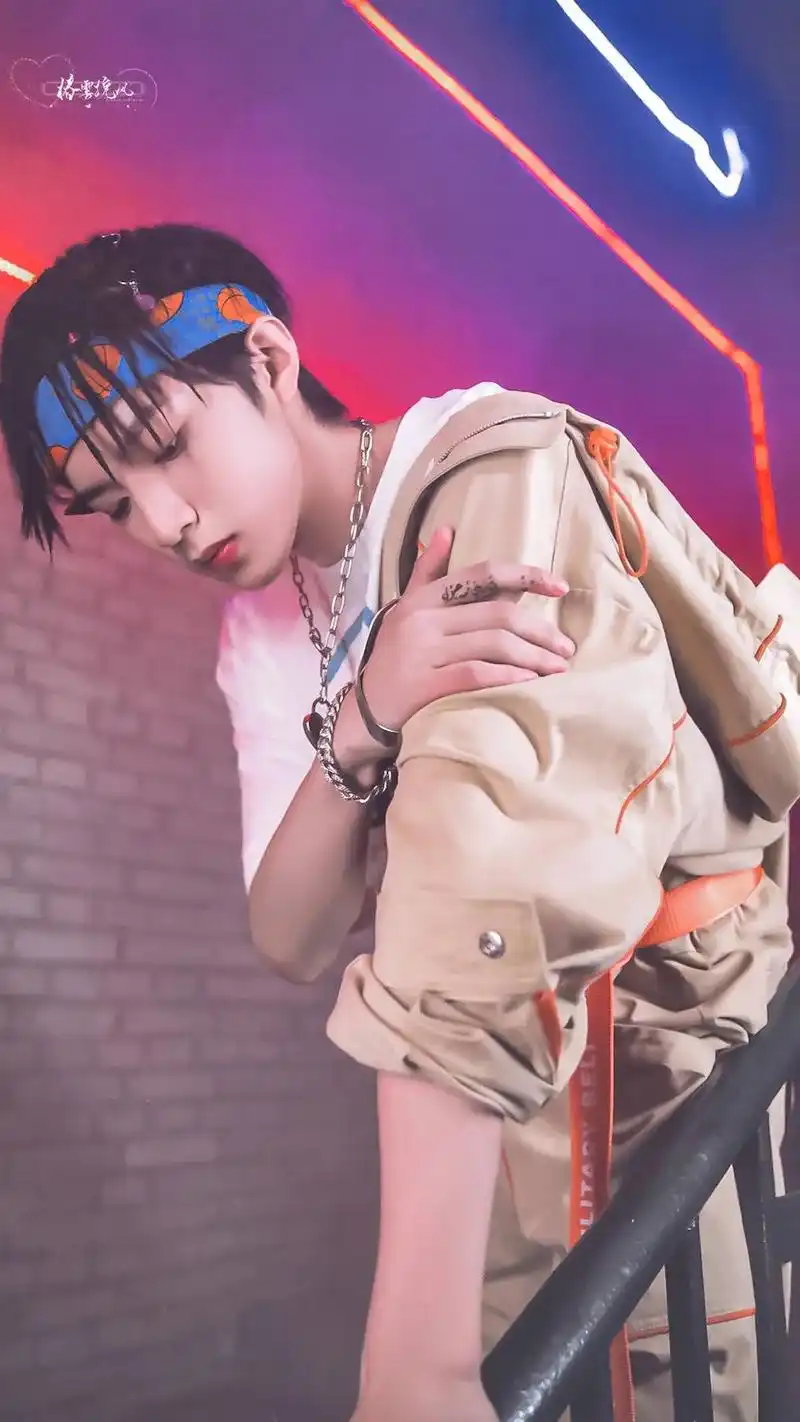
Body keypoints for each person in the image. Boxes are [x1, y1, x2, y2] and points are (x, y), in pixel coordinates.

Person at [1, 223, 798, 1422]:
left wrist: (413, 1361)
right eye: (115, 503)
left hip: (671, 1063)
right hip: (504, 1115)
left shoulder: (492, 470)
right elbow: (288, 931)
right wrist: (366, 716)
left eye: (165, 446)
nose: (165, 521)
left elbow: (490, 864)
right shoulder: (259, 631)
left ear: (268, 359)